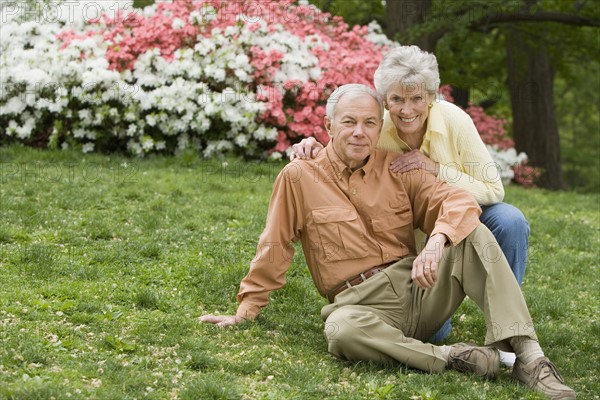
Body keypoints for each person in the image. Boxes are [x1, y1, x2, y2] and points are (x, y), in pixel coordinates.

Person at [201, 84, 575, 400]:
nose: (359, 132)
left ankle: (530, 356)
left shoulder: (399, 167)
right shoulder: (298, 176)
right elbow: (275, 244)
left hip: (419, 286)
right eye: (348, 122)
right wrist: (246, 310)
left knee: (473, 233)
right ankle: (456, 357)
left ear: (379, 127)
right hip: (361, 306)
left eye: (368, 123)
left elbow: (458, 201)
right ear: (329, 125)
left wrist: (436, 242)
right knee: (341, 331)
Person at [291, 45, 530, 343]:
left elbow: (493, 190)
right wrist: (313, 145)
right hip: (408, 246)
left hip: (455, 219)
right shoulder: (377, 130)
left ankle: (508, 327)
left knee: (509, 219)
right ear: (385, 100)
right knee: (434, 336)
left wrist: (435, 169)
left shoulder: (455, 121)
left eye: (417, 98)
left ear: (431, 97)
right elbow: (346, 144)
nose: (406, 110)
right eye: (397, 99)